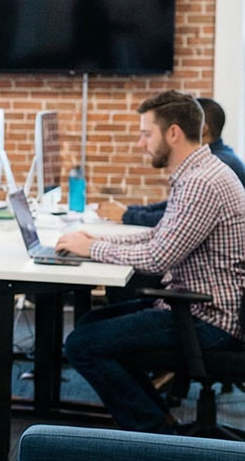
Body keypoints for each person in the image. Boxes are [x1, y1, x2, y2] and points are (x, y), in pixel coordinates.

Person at [55, 91, 245, 432]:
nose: (142, 144)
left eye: (146, 134)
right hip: (197, 306)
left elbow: (158, 258)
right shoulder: (199, 172)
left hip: (209, 319)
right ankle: (159, 420)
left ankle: (156, 436)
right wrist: (96, 240)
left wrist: (90, 250)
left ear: (173, 133)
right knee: (88, 326)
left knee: (81, 344)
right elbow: (160, 235)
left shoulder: (201, 183)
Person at [99, 96, 245, 225]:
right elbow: (173, 207)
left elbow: (177, 219)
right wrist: (129, 210)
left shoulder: (211, 169)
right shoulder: (212, 160)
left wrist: (127, 215)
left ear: (202, 128)